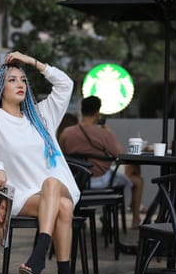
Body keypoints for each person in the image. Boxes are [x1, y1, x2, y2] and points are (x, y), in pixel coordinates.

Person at [0, 51, 82, 274]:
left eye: (23, 79)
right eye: (12, 80)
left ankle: (40, 252)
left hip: (59, 186)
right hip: (21, 195)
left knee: (52, 184)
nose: (21, 84)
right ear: (0, 87)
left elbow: (65, 84)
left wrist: (31, 61)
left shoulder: (41, 116)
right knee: (64, 209)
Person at [59, 96, 144, 229]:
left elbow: (61, 158)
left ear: (82, 110)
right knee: (137, 180)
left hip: (77, 181)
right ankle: (136, 218)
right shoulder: (103, 133)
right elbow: (120, 154)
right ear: (98, 113)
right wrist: (110, 133)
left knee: (129, 173)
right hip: (101, 180)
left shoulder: (67, 133)